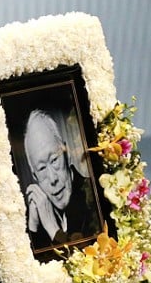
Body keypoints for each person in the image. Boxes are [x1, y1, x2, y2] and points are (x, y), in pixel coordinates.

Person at [23, 108, 101, 260]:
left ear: (67, 155)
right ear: (34, 176)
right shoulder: (38, 212)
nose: (52, 179)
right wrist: (33, 225)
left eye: (54, 160)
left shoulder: (94, 195)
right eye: (42, 168)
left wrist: (53, 230)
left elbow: (88, 263)